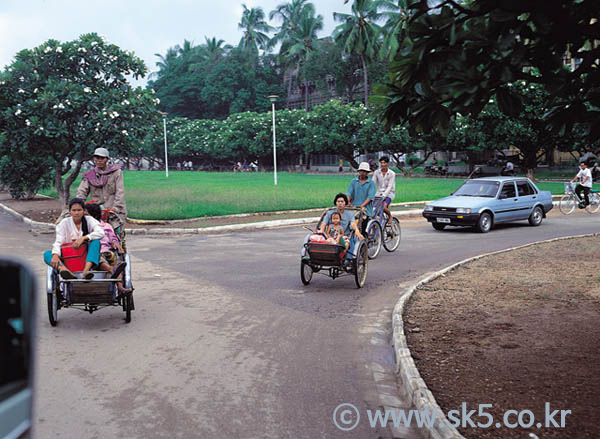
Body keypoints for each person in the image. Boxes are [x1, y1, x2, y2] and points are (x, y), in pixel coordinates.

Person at [43, 198, 105, 280]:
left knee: (96, 242)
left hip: (85, 257)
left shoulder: (89, 220)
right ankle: (64, 270)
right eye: (74, 210)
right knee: (47, 254)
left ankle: (86, 271)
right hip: (68, 257)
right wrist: (55, 255)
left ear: (84, 211)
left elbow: (101, 233)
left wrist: (84, 238)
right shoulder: (64, 223)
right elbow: (58, 242)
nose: (76, 213)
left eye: (79, 210)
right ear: (69, 211)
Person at [84, 203, 131, 294]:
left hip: (107, 251)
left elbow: (113, 238)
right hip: (92, 253)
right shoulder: (84, 227)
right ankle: (111, 270)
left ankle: (121, 288)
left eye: (87, 215)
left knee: (116, 262)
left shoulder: (106, 226)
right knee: (99, 258)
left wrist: (115, 243)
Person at [76, 147, 127, 225]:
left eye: (102, 158)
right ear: (94, 159)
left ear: (107, 159)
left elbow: (120, 191)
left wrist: (116, 207)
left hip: (114, 211)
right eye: (97, 157)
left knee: (115, 234)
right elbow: (82, 192)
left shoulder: (116, 172)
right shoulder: (89, 175)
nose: (99, 160)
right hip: (96, 212)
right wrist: (78, 206)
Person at [347, 162, 377, 234]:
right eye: (361, 171)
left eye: (365, 171)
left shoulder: (371, 183)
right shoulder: (354, 181)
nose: (363, 173)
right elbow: (349, 193)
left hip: (366, 210)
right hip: (354, 208)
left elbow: (370, 197)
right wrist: (348, 202)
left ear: (367, 173)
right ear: (358, 171)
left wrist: (361, 206)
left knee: (363, 227)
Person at [372, 156, 396, 223]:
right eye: (381, 163)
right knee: (374, 208)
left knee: (384, 207)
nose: (382, 164)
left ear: (387, 163)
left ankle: (390, 216)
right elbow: (373, 183)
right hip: (378, 193)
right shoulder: (376, 172)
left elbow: (390, 186)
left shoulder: (392, 174)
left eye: (384, 163)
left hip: (389, 194)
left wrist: (384, 195)